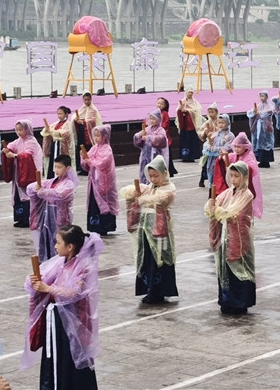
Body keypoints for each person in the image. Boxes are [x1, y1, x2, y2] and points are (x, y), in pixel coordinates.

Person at [21, 225, 103, 389]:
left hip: (71, 323)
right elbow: (45, 279)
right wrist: (35, 282)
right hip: (57, 321)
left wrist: (48, 288)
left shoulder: (83, 267)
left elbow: (74, 293)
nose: (55, 246)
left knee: (70, 356)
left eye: (58, 243)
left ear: (70, 246)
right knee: (56, 356)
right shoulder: (60, 263)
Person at [121, 155, 178, 304]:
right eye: (151, 176)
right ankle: (149, 290)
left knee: (160, 259)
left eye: (156, 176)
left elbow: (161, 199)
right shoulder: (150, 188)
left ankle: (159, 292)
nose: (153, 179)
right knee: (147, 259)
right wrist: (134, 193)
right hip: (146, 231)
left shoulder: (168, 188)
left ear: (164, 174)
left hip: (160, 232)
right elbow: (129, 191)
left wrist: (142, 199)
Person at [205, 161, 256, 315]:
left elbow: (234, 213)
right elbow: (217, 205)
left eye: (236, 176)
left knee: (239, 268)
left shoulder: (247, 195)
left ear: (245, 177)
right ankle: (227, 301)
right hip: (225, 237)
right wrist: (211, 206)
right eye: (231, 176)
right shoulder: (228, 193)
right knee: (225, 268)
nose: (233, 179)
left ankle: (240, 303)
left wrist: (218, 211)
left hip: (238, 238)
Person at [27, 155, 79, 263]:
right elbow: (31, 188)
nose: (56, 170)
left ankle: (58, 262)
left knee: (58, 239)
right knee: (46, 238)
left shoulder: (69, 184)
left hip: (59, 217)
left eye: (59, 167)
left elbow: (59, 194)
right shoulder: (52, 181)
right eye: (55, 167)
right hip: (47, 216)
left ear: (67, 168)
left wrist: (44, 192)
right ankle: (45, 261)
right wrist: (36, 187)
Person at [1, 120, 42, 228]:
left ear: (27, 129)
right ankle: (20, 218)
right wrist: (7, 150)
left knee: (27, 195)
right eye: (17, 130)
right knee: (18, 195)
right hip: (19, 172)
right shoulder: (18, 141)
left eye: (21, 129)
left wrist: (14, 155)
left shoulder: (32, 142)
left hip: (29, 173)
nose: (18, 132)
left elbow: (27, 155)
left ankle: (27, 219)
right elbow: (12, 145)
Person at [212, 132, 263, 219]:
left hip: (244, 187)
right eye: (235, 146)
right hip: (235, 187)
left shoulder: (249, 158)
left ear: (245, 147)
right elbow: (224, 159)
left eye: (239, 147)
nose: (236, 149)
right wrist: (222, 157)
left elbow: (250, 170)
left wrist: (239, 169)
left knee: (243, 211)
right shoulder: (234, 156)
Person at [80, 125, 118, 235]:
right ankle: (94, 226)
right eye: (95, 136)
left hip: (103, 181)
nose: (96, 138)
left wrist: (90, 161)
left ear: (105, 136)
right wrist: (84, 157)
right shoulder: (94, 148)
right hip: (94, 182)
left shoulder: (107, 149)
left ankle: (104, 227)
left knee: (104, 202)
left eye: (98, 136)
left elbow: (103, 163)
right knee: (94, 204)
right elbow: (87, 164)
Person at [134, 109, 168, 185]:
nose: (152, 121)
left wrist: (149, 138)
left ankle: (154, 183)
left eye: (154, 119)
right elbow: (137, 139)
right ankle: (144, 184)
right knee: (144, 169)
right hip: (145, 154)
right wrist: (140, 135)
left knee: (154, 170)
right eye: (151, 119)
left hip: (155, 154)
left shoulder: (160, 130)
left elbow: (162, 139)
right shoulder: (147, 129)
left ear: (158, 119)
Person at [40, 106, 75, 180]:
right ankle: (52, 177)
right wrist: (47, 130)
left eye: (61, 114)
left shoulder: (68, 124)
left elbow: (63, 133)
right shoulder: (56, 123)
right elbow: (47, 131)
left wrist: (52, 131)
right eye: (58, 114)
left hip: (62, 146)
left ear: (66, 114)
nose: (59, 115)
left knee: (61, 162)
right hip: (55, 144)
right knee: (53, 161)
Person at [203, 114, 235, 189]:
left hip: (223, 159)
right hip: (212, 159)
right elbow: (207, 143)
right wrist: (208, 147)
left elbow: (227, 147)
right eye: (219, 122)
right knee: (212, 176)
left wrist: (215, 149)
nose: (221, 125)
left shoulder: (230, 136)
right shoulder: (215, 134)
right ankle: (212, 191)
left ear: (228, 123)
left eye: (223, 122)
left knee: (222, 177)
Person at [73, 92, 102, 176]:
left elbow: (93, 120)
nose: (87, 101)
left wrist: (83, 121)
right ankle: (82, 167)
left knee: (89, 149)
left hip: (89, 133)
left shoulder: (93, 109)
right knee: (81, 148)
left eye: (88, 100)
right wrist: (76, 120)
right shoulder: (82, 108)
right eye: (85, 100)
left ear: (91, 100)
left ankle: (89, 167)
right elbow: (74, 117)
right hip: (82, 131)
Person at [247, 90, 275, 168]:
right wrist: (254, 112)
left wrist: (258, 113)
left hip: (265, 128)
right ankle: (261, 160)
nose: (261, 98)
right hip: (259, 127)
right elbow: (250, 113)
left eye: (263, 96)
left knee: (266, 143)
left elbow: (268, 113)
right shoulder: (259, 106)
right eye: (260, 96)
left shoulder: (269, 106)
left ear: (266, 97)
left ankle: (266, 161)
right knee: (259, 143)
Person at [176, 87, 203, 163]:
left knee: (192, 140)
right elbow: (178, 110)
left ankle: (193, 155)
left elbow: (197, 110)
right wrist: (181, 110)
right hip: (184, 124)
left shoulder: (195, 102)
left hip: (192, 124)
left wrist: (188, 110)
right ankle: (185, 156)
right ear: (186, 93)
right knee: (185, 140)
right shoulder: (183, 101)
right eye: (189, 92)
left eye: (191, 92)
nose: (190, 94)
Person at [197, 102, 219, 187]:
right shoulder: (207, 123)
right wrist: (205, 133)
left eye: (212, 112)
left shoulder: (220, 121)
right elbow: (200, 132)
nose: (211, 114)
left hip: (218, 145)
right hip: (209, 145)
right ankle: (202, 179)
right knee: (206, 163)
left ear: (216, 112)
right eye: (209, 112)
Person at [157, 97, 178, 176]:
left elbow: (165, 125)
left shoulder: (165, 114)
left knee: (167, 156)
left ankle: (169, 170)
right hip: (157, 137)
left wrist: (158, 130)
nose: (159, 105)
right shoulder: (155, 113)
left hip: (164, 138)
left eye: (161, 104)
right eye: (158, 103)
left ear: (165, 106)